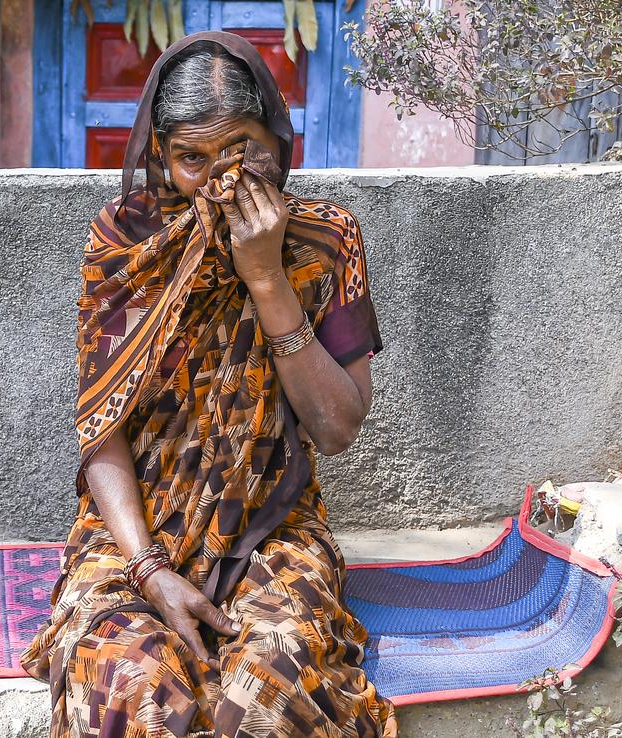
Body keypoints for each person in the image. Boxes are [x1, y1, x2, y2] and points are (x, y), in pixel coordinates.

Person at [20, 32, 398, 738]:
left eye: (240, 152)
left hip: (272, 531)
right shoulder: (124, 243)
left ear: (275, 140)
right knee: (133, 679)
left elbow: (338, 428)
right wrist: (149, 569)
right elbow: (100, 432)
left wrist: (265, 275)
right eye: (193, 158)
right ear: (161, 153)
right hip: (134, 533)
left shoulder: (324, 242)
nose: (218, 181)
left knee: (272, 680)